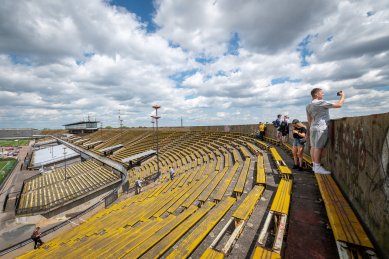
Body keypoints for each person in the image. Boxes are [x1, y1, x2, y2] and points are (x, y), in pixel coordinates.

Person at [306, 88, 345, 174]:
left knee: (313, 147)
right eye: (321, 93)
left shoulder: (308, 105)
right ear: (316, 94)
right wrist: (343, 96)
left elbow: (309, 119)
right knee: (318, 147)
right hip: (321, 128)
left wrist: (311, 127)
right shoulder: (320, 102)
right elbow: (339, 105)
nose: (323, 94)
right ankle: (317, 167)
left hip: (313, 127)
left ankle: (314, 165)